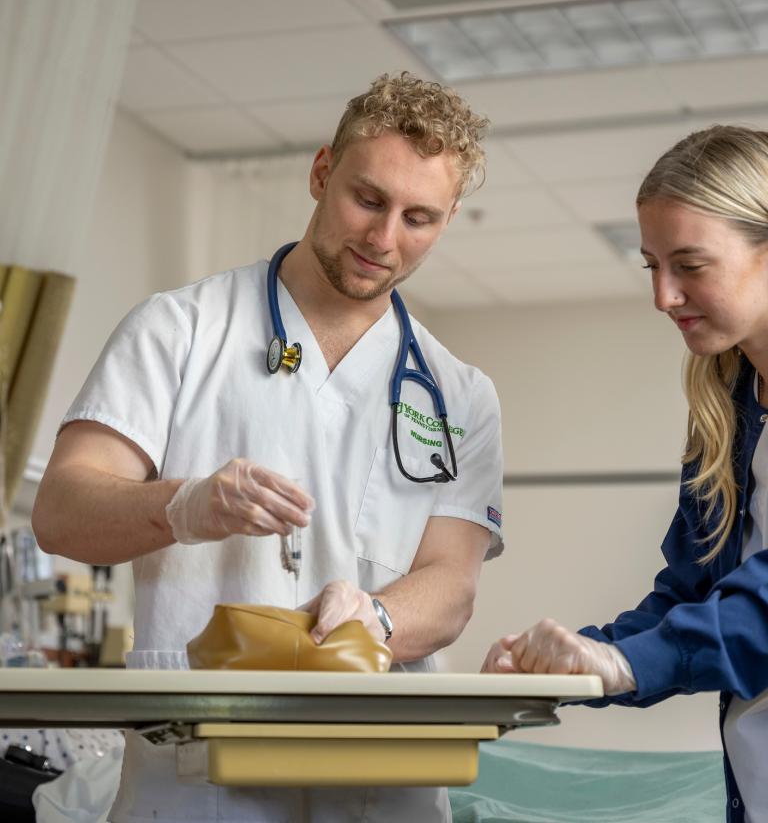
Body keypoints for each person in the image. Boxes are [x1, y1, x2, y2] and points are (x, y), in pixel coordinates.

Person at [32, 71, 504, 823]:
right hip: (198, 774)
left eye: (419, 217)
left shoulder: (459, 393)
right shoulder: (180, 329)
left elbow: (453, 584)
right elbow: (60, 510)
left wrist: (376, 617)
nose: (385, 239)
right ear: (321, 173)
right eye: (368, 199)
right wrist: (185, 505)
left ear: (444, 223)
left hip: (381, 770)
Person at [481, 125, 768, 823]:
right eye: (651, 266)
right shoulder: (728, 413)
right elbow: (692, 593)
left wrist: (631, 664)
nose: (664, 296)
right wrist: (587, 657)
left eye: (690, 264)